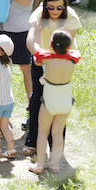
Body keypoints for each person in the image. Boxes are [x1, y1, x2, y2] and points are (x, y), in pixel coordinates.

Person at [23, 0, 81, 155]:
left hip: (62, 61)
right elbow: (31, 39)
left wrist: (53, 59)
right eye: (50, 7)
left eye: (59, 7)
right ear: (45, 5)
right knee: (37, 99)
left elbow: (67, 41)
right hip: (41, 60)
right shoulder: (39, 13)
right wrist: (38, 53)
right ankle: (32, 141)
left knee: (58, 101)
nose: (54, 11)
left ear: (65, 6)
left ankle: (56, 145)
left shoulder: (70, 15)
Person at [29, 30, 81, 175]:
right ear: (69, 46)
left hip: (49, 99)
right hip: (65, 100)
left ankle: (39, 165)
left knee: (42, 133)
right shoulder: (72, 60)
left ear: (51, 45)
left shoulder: (47, 59)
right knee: (58, 134)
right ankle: (55, 165)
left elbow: (36, 59)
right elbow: (74, 54)